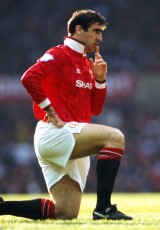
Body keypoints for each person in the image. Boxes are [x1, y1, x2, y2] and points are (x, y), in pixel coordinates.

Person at [0, 9, 132, 221]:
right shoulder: (60, 53)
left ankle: (2, 207)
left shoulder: (85, 64)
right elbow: (28, 78)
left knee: (65, 212)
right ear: (78, 30)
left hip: (71, 137)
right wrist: (49, 109)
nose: (100, 38)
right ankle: (104, 209)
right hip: (55, 133)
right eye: (96, 31)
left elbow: (95, 110)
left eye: (102, 32)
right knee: (115, 137)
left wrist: (100, 80)